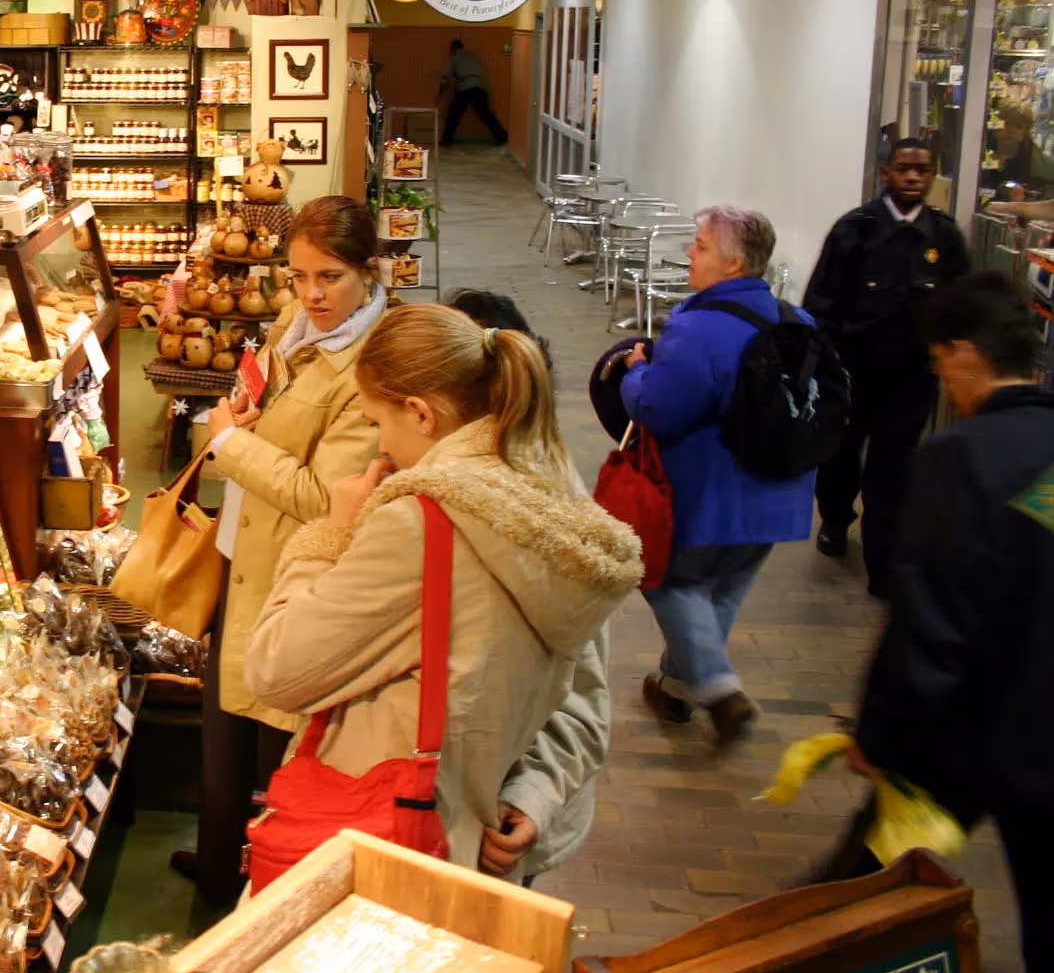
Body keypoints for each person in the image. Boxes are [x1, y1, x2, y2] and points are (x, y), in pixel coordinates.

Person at [246, 304, 639, 872]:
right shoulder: (552, 498)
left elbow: (275, 668)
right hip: (483, 835)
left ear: (420, 413)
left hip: (392, 829)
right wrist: (534, 793)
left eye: (379, 422)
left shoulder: (418, 525)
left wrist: (333, 534)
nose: (382, 447)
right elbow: (581, 685)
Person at [839, 274, 1054, 973]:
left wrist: (881, 735)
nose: (944, 383)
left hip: (965, 736)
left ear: (964, 354)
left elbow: (931, 616)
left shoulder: (961, 457)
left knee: (863, 890)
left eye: (940, 365)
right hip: (1044, 739)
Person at [180, 195, 388, 904]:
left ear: (371, 271)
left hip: (291, 572)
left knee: (273, 744)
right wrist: (243, 415)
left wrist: (230, 443)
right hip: (243, 550)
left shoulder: (369, 371)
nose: (312, 294)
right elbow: (261, 396)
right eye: (299, 276)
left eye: (330, 277)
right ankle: (215, 867)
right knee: (223, 734)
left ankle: (260, 889)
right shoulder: (293, 327)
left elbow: (325, 496)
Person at [616, 206, 817, 746]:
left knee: (670, 582)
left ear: (733, 263)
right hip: (780, 493)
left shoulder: (699, 326)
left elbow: (658, 409)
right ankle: (680, 689)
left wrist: (633, 375)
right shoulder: (800, 323)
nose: (689, 254)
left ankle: (721, 691)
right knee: (722, 593)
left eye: (700, 246)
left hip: (711, 494)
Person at [445, 290, 607, 885]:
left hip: (500, 823)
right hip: (446, 805)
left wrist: (530, 797)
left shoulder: (553, 512)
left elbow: (584, 689)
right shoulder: (444, 483)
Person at [803, 138, 969, 593]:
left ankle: (883, 561)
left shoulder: (944, 238)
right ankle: (836, 520)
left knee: (893, 470)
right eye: (904, 169)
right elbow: (821, 303)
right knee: (840, 458)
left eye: (923, 171)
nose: (914, 178)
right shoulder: (854, 230)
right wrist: (825, 368)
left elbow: (960, 305)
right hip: (855, 373)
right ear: (886, 173)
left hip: (910, 378)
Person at [438, 41, 509, 147]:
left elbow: (445, 78)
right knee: (486, 114)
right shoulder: (473, 57)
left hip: (466, 87)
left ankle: (446, 140)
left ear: (454, 48)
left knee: (454, 114)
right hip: (481, 86)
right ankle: (503, 137)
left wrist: (439, 94)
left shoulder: (454, 58)